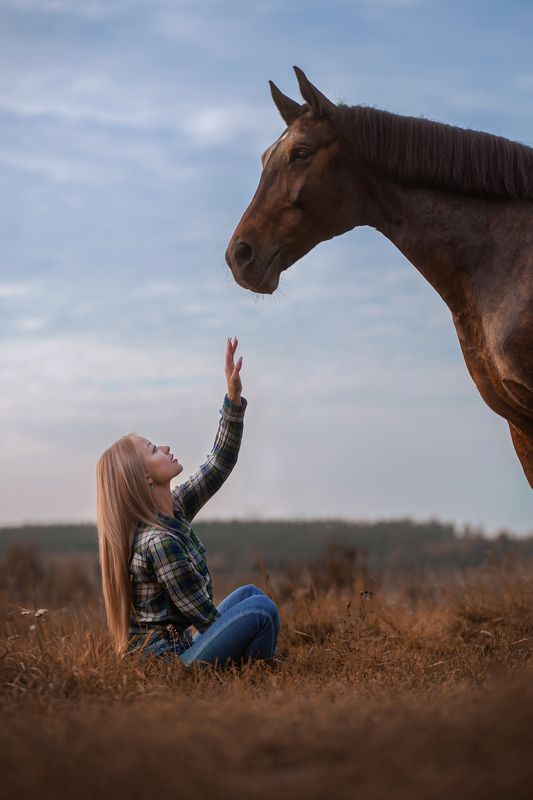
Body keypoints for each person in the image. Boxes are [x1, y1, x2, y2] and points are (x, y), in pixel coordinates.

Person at [96, 337, 280, 668]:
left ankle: (253, 669)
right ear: (145, 478)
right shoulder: (159, 540)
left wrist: (232, 399)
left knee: (251, 593)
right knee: (262, 611)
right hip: (167, 665)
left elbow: (218, 465)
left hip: (180, 646)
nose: (165, 447)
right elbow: (204, 617)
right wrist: (236, 629)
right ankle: (257, 674)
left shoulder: (172, 509)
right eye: (154, 450)